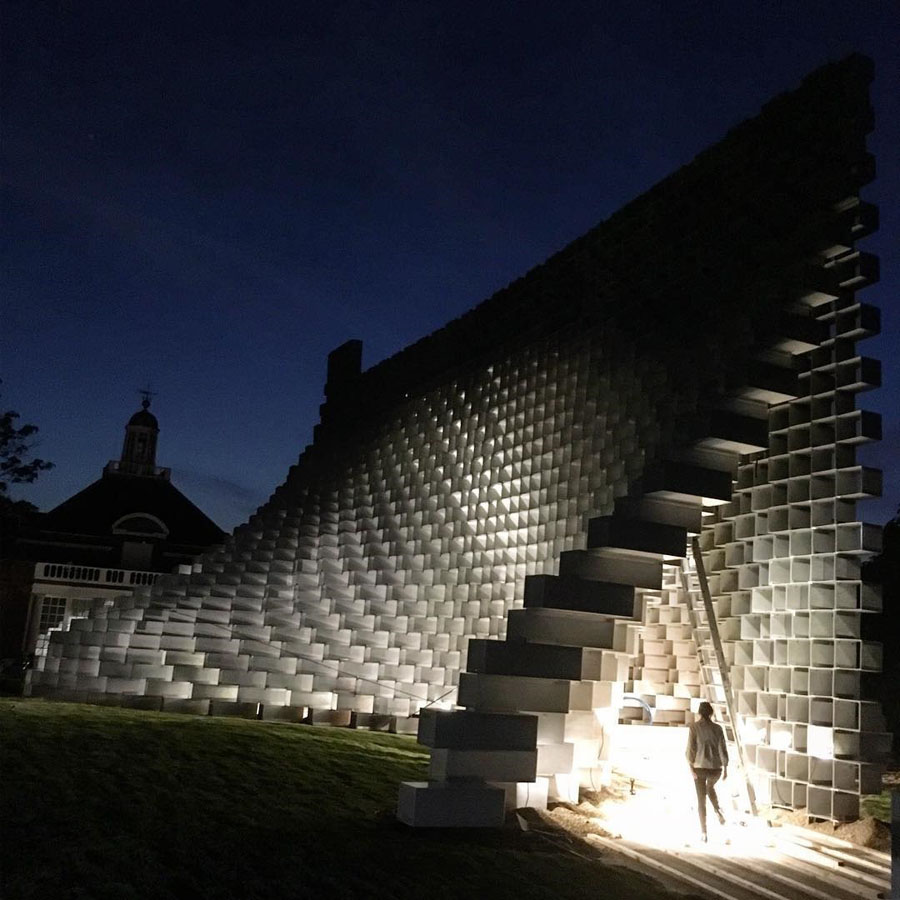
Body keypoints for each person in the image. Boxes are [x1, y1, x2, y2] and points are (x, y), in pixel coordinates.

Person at [686, 701, 728, 842]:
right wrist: (726, 768)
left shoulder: (694, 727)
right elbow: (723, 749)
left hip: (699, 769)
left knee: (701, 800)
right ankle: (717, 809)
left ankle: (704, 832)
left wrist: (691, 768)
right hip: (716, 769)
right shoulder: (718, 728)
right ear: (711, 713)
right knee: (710, 788)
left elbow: (690, 751)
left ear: (699, 713)